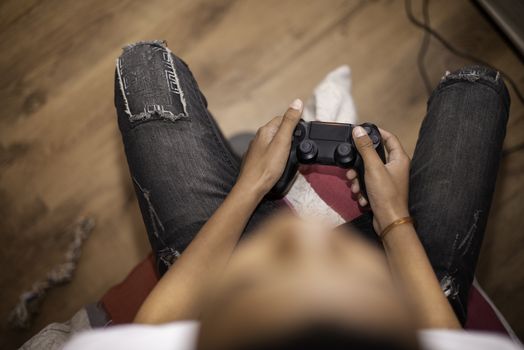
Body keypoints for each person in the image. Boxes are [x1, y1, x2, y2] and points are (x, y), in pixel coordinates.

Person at [66, 40, 517, 349]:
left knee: (143, 66)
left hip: (219, 279)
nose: (301, 238)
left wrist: (252, 187)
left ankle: (257, 172)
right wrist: (393, 220)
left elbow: (154, 326)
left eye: (288, 245)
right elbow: (438, 333)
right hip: (400, 282)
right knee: (476, 90)